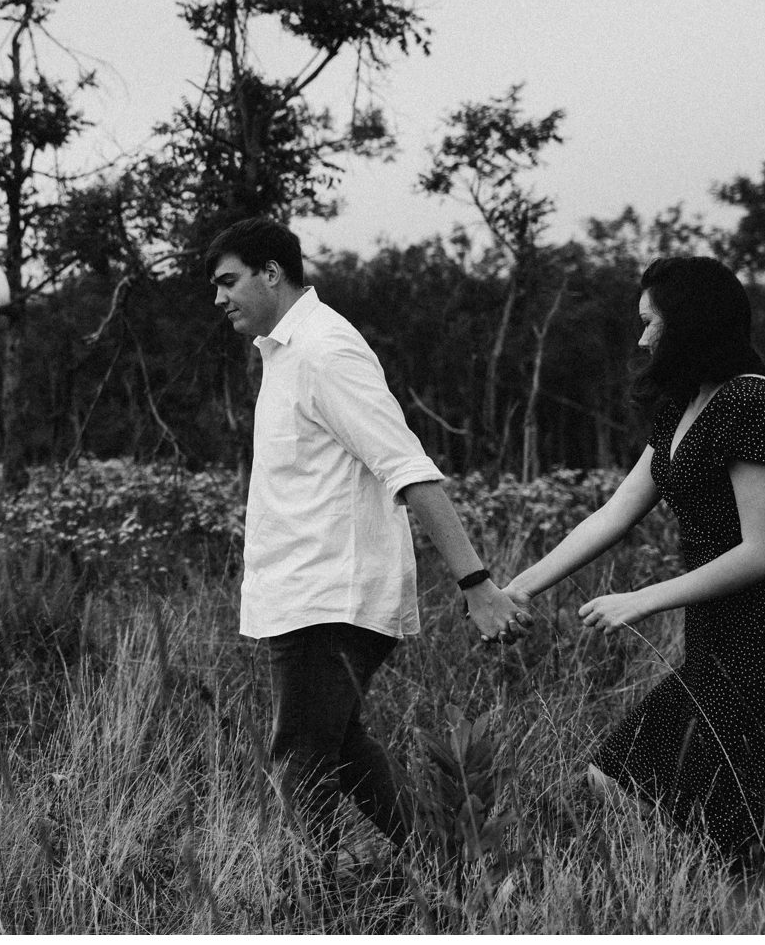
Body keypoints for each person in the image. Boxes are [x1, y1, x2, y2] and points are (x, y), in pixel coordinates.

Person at [502, 255, 765, 923]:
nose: (642, 340)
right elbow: (612, 513)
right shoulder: (685, 407)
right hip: (716, 652)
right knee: (618, 783)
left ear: (687, 322)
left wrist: (645, 597)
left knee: (737, 853)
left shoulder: (751, 403)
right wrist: (517, 587)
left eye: (651, 323)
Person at [206, 218, 530, 864]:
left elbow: (408, 469)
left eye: (228, 281)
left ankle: (318, 904)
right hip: (304, 590)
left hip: (331, 593)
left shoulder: (326, 351)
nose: (218, 299)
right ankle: (454, 876)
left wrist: (476, 585)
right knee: (339, 746)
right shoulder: (285, 352)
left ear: (272, 271)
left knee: (300, 757)